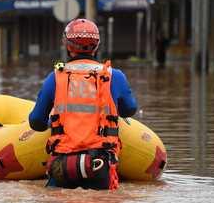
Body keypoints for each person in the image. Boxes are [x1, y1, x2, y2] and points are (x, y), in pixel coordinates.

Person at [28, 18, 138, 190]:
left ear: (67, 44)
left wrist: (53, 123)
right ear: (97, 45)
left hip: (62, 164)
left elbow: (36, 122)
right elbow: (129, 110)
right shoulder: (114, 75)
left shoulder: (55, 76)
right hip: (100, 164)